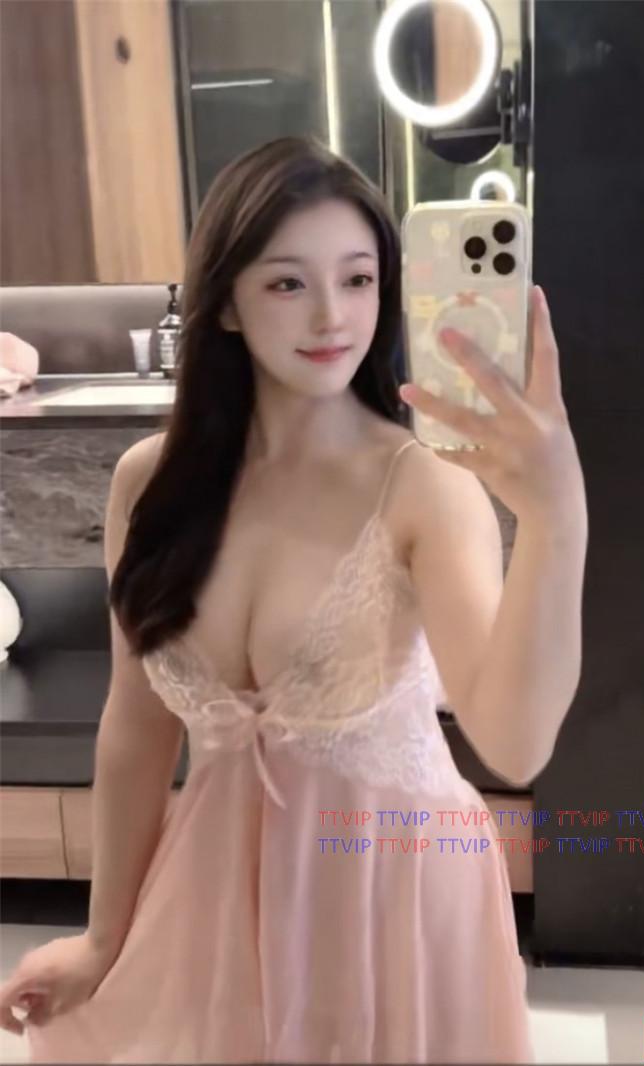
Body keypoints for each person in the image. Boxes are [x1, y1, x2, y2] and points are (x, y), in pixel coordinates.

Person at [0, 135, 587, 1063]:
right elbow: (136, 726)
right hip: (212, 886)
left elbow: (514, 743)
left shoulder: (423, 486)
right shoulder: (149, 483)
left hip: (390, 892)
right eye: (287, 283)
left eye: (358, 280)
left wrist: (558, 518)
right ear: (226, 303)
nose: (330, 315)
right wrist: (103, 937)